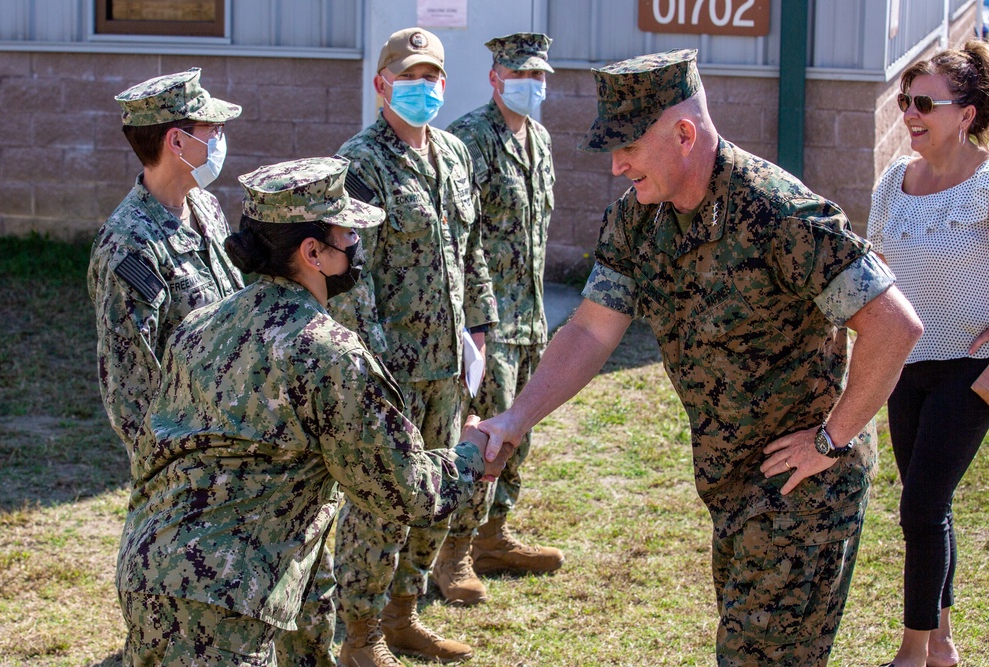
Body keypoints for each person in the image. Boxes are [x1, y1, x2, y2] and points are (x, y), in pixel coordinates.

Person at [479, 49, 924, 666]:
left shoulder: (778, 213)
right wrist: (513, 420)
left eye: (628, 147)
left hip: (804, 487)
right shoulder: (637, 219)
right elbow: (590, 331)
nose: (615, 167)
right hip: (731, 481)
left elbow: (895, 325)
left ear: (683, 134)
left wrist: (832, 440)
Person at [114, 156, 510, 667]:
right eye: (348, 234)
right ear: (312, 252)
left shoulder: (203, 323)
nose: (356, 247)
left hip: (151, 568)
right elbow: (402, 489)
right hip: (222, 600)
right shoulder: (327, 352)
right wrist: (472, 455)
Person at [326, 26, 498, 667]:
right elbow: (350, 270)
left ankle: (404, 616)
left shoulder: (454, 156)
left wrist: (481, 327)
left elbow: (472, 249)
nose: (422, 88)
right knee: (380, 501)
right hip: (392, 368)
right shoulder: (359, 163)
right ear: (380, 84)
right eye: (409, 77)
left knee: (435, 492)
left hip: (450, 365)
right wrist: (370, 364)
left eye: (431, 78)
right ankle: (361, 636)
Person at [866, 40, 989, 667]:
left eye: (924, 103)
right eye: (904, 101)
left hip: (969, 371)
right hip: (905, 367)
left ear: (966, 114)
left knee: (922, 505)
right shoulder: (893, 182)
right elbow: (875, 271)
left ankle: (912, 653)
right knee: (925, 503)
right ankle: (941, 645)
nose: (909, 113)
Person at [436, 32, 564, 606]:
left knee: (521, 435)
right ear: (494, 78)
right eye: (521, 76)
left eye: (540, 77)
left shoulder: (539, 139)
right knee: (483, 437)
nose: (532, 86)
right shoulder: (468, 139)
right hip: (488, 321)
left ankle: (494, 537)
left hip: (530, 318)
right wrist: (471, 325)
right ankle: (453, 554)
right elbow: (457, 237)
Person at [87, 67, 244, 453]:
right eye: (213, 131)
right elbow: (130, 388)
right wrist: (172, 469)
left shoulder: (204, 205)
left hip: (234, 431)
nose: (220, 141)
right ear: (177, 141)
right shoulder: (129, 244)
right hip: (187, 456)